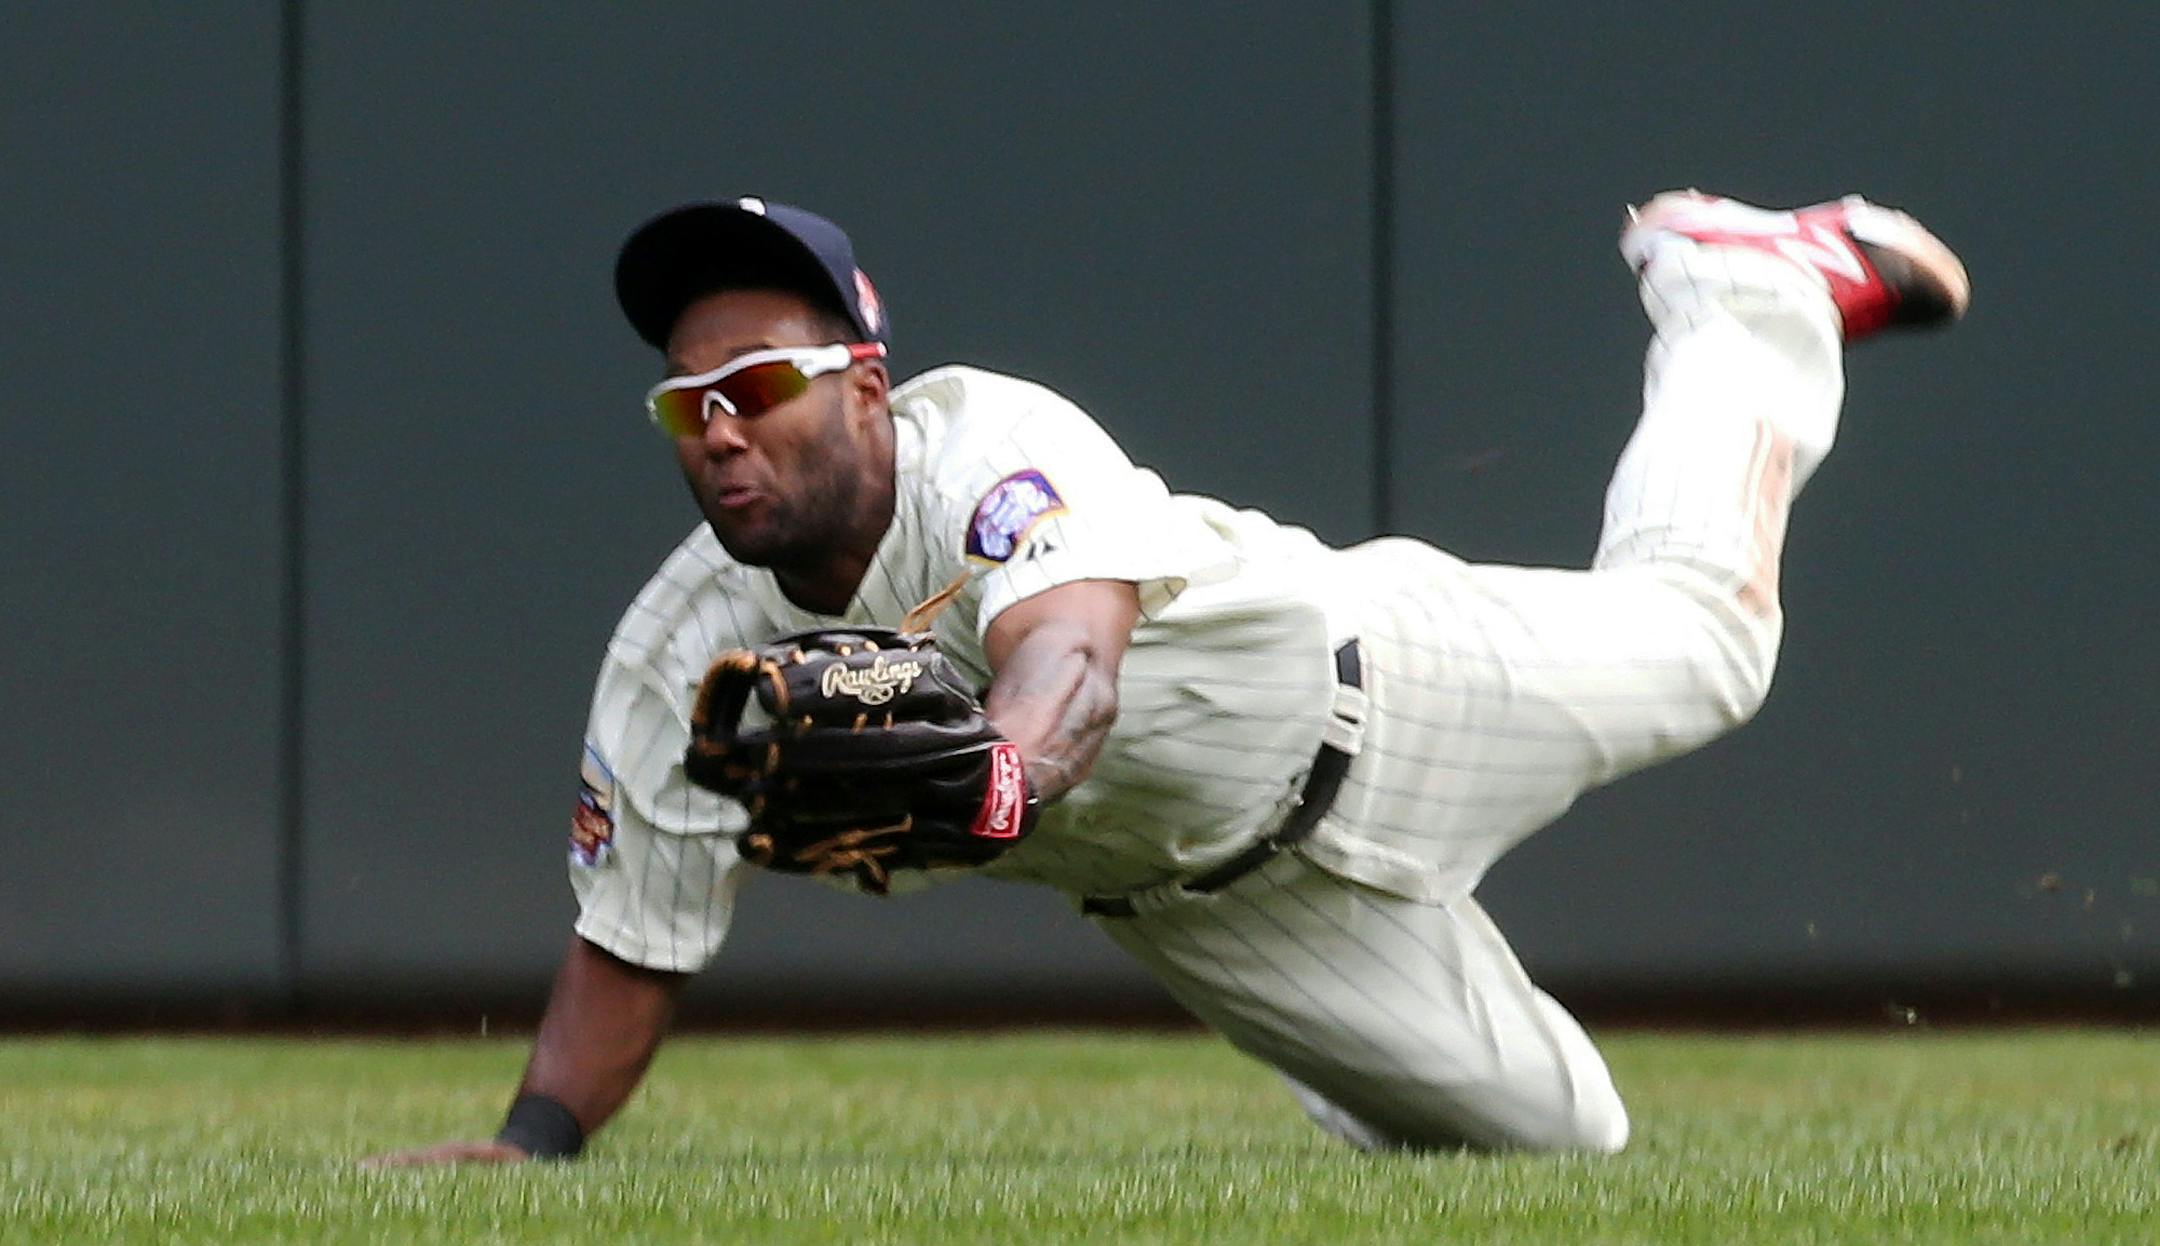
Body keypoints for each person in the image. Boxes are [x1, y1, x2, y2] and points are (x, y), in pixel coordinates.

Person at [366, 189, 1968, 1164]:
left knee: (1713, 642)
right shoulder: (679, 646)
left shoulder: (985, 438)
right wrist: (534, 1144)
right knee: (1560, 1146)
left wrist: (998, 769)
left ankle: (1739, 293)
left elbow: (1071, 651)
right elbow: (634, 921)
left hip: (1384, 689)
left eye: (762, 380)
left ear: (865, 379)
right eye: (687, 400)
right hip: (1214, 909)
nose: (720, 422)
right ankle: (1375, 1073)